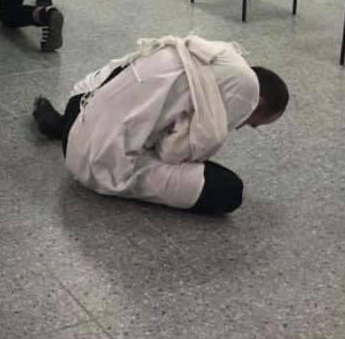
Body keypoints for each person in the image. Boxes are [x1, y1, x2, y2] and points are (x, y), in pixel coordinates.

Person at [33, 35, 288, 215]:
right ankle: (67, 132)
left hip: (80, 103)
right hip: (91, 158)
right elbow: (172, 152)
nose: (244, 126)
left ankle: (60, 125)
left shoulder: (213, 54)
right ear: (258, 102)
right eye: (253, 122)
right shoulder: (245, 90)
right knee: (228, 189)